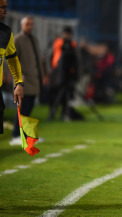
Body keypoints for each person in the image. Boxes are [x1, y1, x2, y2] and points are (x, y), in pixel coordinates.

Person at [9, 16, 43, 145]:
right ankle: (16, 136)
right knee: (22, 109)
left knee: (29, 109)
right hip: (23, 81)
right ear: (22, 25)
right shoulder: (17, 40)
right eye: (27, 24)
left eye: (31, 24)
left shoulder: (34, 40)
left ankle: (26, 136)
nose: (30, 27)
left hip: (34, 80)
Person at [0, 0, 24, 134]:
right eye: (2, 8)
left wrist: (19, 83)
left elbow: (13, 60)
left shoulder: (5, 33)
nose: (6, 11)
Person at [47, 26, 78, 121]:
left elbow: (75, 60)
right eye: (65, 33)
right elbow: (51, 56)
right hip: (57, 72)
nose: (66, 35)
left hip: (68, 74)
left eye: (68, 34)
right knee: (54, 94)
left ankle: (63, 114)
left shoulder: (72, 44)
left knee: (65, 96)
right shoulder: (58, 43)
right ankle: (52, 113)